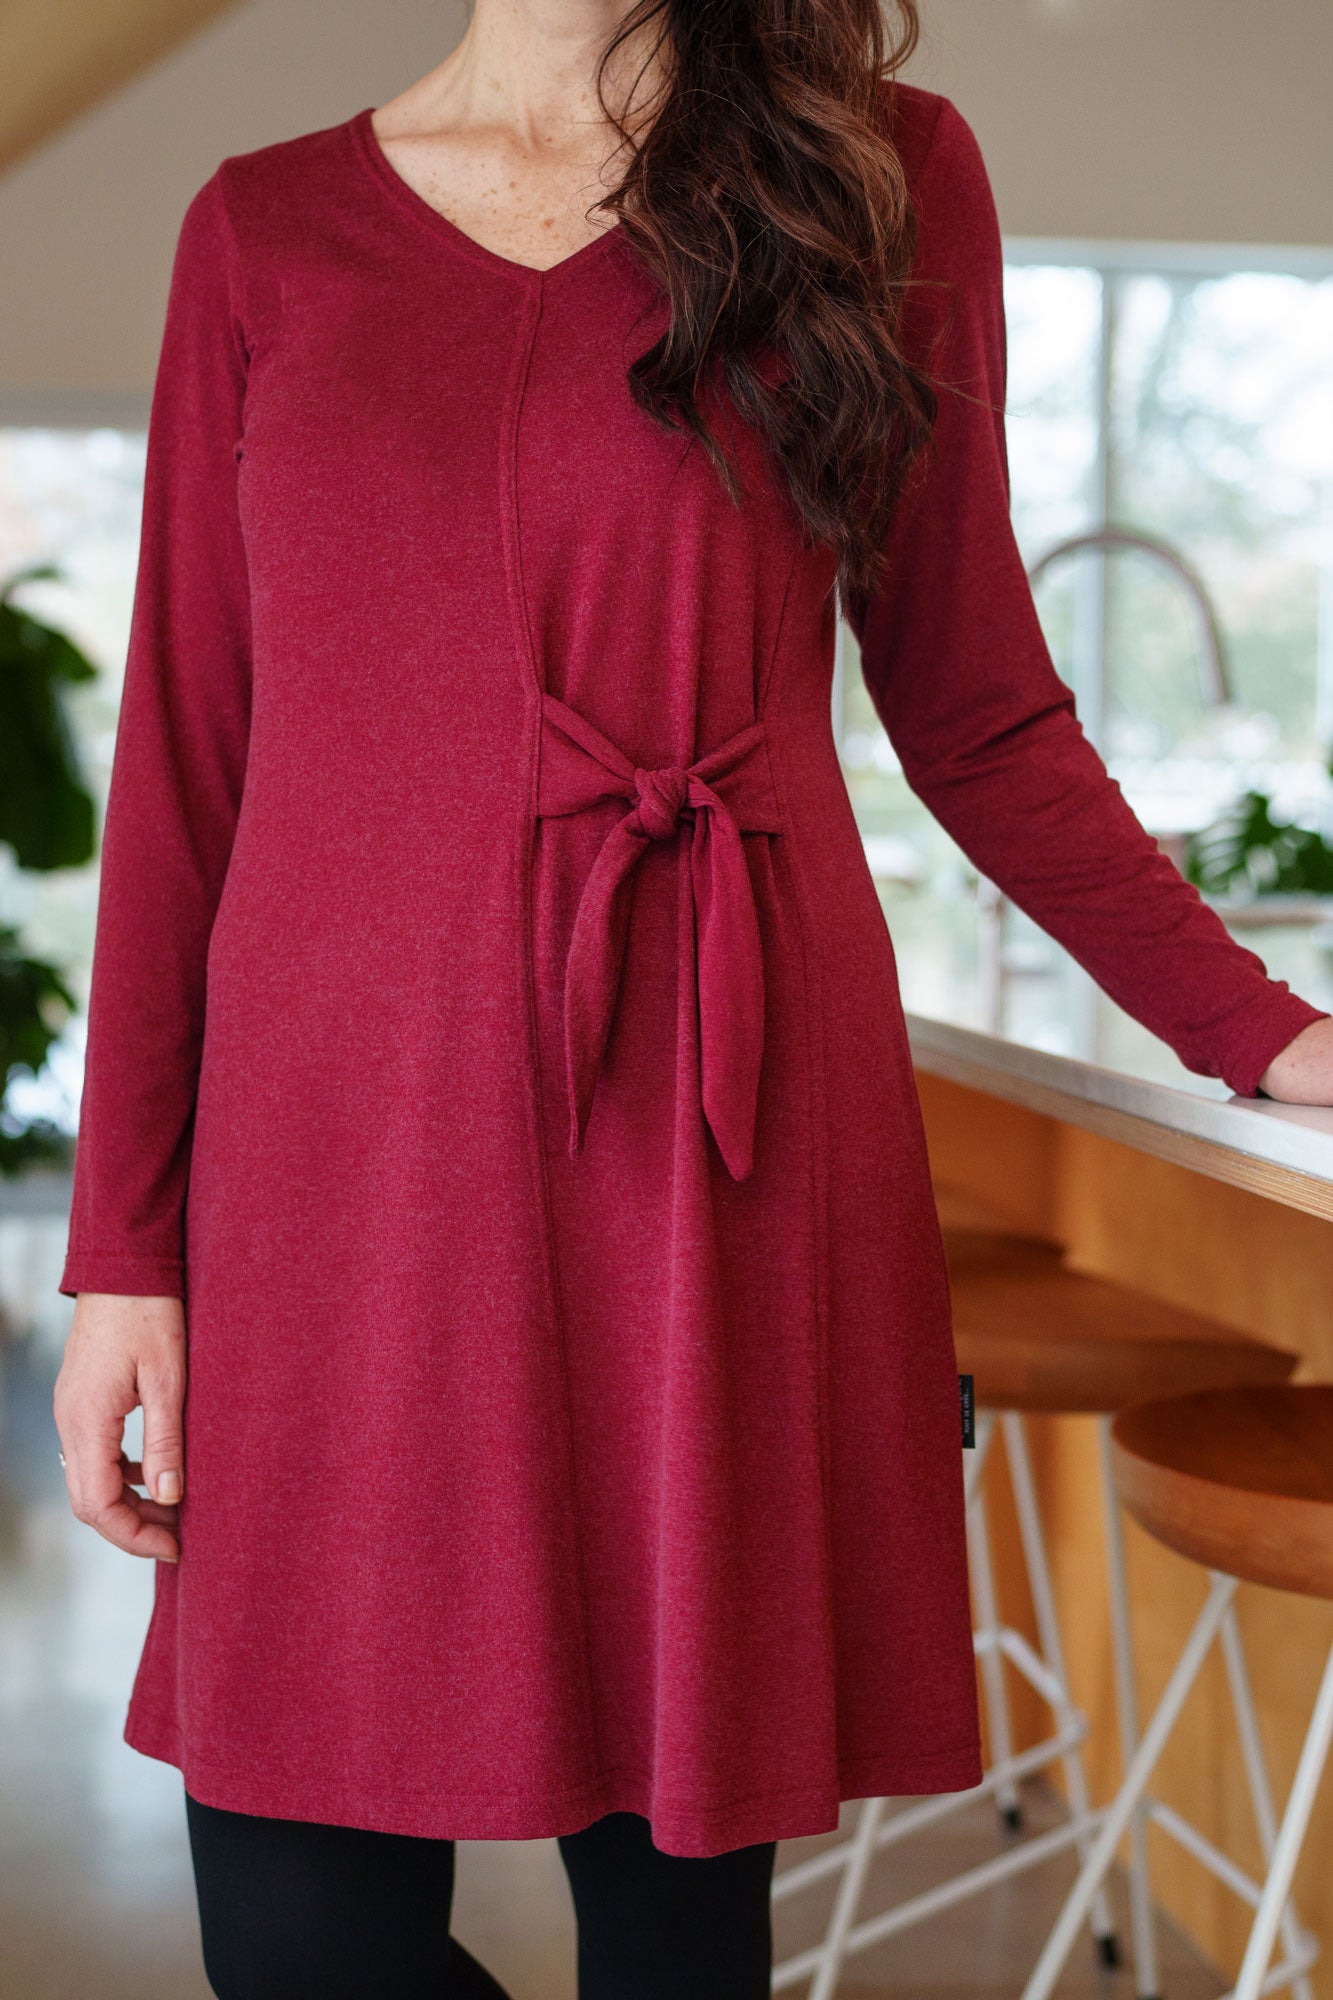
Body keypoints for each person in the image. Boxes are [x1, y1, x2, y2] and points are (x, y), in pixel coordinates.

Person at [51, 0, 1333, 1992]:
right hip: (334, 1159)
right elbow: (191, 769)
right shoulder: (262, 231)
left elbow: (978, 707)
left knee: (670, 1913)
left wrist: (1260, 1024)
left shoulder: (875, 174)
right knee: (296, 1931)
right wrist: (123, 1251)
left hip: (700, 1123)